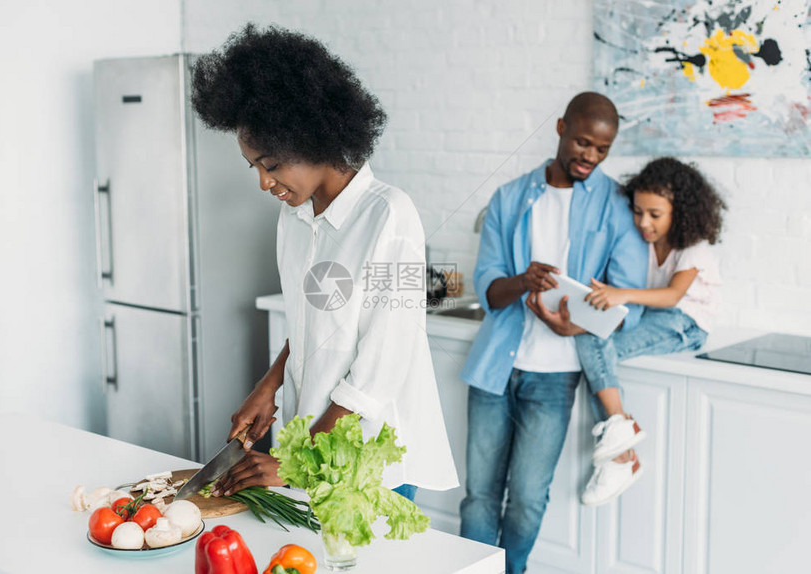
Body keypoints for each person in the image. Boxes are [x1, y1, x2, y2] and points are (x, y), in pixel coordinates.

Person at [190, 24, 458, 501]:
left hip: (370, 458)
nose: (263, 183)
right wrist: (269, 384)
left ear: (313, 136)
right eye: (253, 166)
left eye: (270, 165)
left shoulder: (388, 215)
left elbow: (382, 365)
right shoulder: (293, 219)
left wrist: (299, 460)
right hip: (312, 443)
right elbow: (313, 322)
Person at [459, 92, 648, 573]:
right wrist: (523, 280)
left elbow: (629, 301)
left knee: (526, 499)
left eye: (602, 150)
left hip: (557, 375)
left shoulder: (616, 206)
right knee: (480, 495)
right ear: (561, 127)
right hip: (495, 368)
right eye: (583, 142)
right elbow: (487, 290)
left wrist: (577, 323)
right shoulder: (509, 197)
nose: (590, 156)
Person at [577, 157, 725, 506]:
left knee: (599, 351)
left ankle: (620, 452)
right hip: (654, 316)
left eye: (655, 215)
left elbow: (673, 295)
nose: (644, 223)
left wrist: (620, 294)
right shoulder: (643, 242)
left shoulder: (694, 248)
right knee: (590, 339)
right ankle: (620, 432)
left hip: (687, 323)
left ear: (681, 212)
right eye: (638, 211)